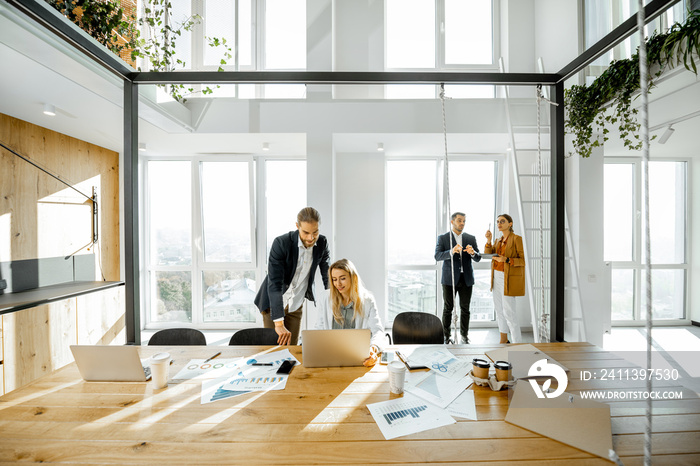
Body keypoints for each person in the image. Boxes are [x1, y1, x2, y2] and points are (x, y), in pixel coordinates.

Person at [254, 207, 331, 346]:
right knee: (273, 350)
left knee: (292, 350)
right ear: (297, 226)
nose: (310, 238)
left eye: (315, 232)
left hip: (296, 304)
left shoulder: (322, 243)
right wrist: (278, 322)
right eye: (306, 232)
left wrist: (333, 299)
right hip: (274, 304)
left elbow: (328, 274)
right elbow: (275, 283)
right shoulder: (281, 243)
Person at [315, 259, 385, 366]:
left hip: (358, 357)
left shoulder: (367, 300)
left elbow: (378, 331)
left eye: (342, 278)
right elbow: (319, 328)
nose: (338, 284)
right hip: (331, 354)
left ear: (353, 278)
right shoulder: (324, 297)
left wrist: (373, 348)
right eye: (334, 279)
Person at [434, 212, 481, 344]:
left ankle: (464, 336)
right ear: (452, 222)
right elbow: (437, 256)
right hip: (449, 279)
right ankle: (446, 336)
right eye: (459, 220)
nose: (462, 223)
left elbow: (478, 258)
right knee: (447, 308)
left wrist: (473, 253)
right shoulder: (443, 238)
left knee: (465, 308)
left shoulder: (470, 238)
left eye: (464, 221)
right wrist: (451, 251)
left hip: (466, 279)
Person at [484, 213, 525, 344]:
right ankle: (503, 339)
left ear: (510, 224)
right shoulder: (498, 240)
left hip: (508, 278)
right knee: (499, 310)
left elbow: (523, 260)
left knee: (509, 312)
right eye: (497, 222)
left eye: (502, 221)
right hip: (496, 276)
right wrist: (489, 241)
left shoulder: (516, 239)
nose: (499, 224)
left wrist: (506, 259)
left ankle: (517, 343)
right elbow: (488, 254)